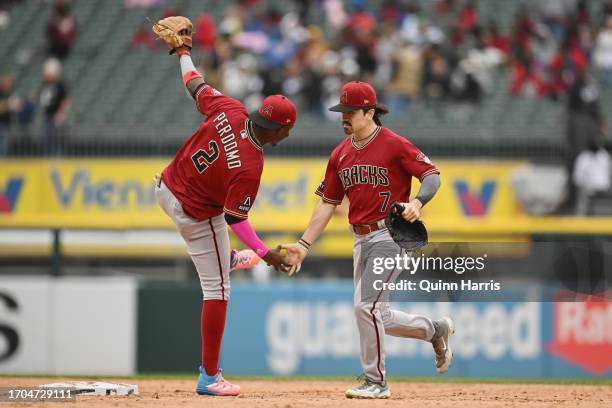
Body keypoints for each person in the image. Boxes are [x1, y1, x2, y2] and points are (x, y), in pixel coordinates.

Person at [281, 81, 454, 399]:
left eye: (350, 111)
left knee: (365, 307)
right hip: (360, 238)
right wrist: (304, 245)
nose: (343, 117)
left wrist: (417, 203)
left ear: (369, 112)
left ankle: (377, 381)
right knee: (377, 313)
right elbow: (327, 203)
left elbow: (432, 175)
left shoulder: (394, 144)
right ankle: (434, 330)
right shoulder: (340, 153)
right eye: (341, 111)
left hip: (392, 233)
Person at [152, 16, 294, 397]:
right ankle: (210, 376)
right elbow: (236, 217)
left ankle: (227, 258)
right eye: (286, 131)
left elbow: (194, 84)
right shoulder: (251, 165)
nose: (285, 136)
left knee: (217, 257)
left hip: (166, 185)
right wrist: (266, 255)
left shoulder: (232, 109)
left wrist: (183, 52)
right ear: (279, 131)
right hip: (194, 210)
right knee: (217, 290)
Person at [37, 58, 70, 156]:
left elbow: (66, 100)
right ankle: (47, 158)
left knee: (56, 138)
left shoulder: (61, 85)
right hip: (47, 115)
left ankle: (57, 158)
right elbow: (41, 98)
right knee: (47, 139)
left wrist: (60, 113)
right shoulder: (45, 84)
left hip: (56, 116)